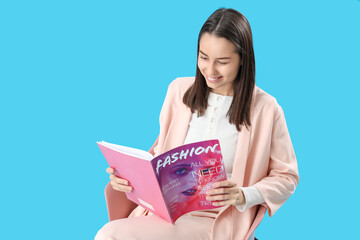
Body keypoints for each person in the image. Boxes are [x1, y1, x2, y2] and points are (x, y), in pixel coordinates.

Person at [95, 8, 299, 240]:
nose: (210, 71)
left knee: (109, 235)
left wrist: (244, 195)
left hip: (221, 218)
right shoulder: (178, 91)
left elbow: (287, 177)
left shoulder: (266, 108)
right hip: (167, 214)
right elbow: (159, 156)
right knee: (110, 234)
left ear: (243, 59)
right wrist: (128, 178)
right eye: (203, 57)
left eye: (222, 62)